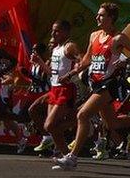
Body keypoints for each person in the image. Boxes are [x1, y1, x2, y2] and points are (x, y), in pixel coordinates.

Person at [52, 2, 130, 171]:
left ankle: (72, 157)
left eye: (101, 15)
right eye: (98, 14)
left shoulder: (118, 38)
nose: (97, 17)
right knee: (112, 123)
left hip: (109, 84)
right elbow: (87, 59)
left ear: (111, 18)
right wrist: (70, 75)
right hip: (95, 83)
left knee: (82, 114)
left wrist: (124, 63)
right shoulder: (94, 36)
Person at [39, 20, 80, 158]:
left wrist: (70, 74)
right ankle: (64, 154)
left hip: (65, 89)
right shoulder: (56, 48)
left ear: (65, 32)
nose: (53, 33)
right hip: (54, 89)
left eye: (57, 30)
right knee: (50, 126)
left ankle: (68, 154)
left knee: (50, 125)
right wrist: (39, 62)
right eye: (53, 30)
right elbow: (52, 73)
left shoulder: (69, 46)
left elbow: (82, 61)